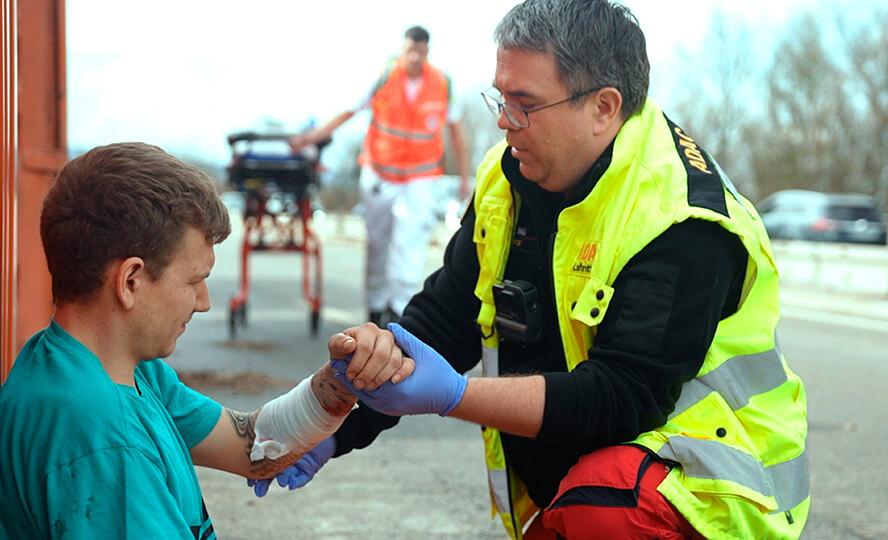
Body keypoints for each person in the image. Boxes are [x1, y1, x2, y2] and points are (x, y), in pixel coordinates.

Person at [261, 1, 810, 538]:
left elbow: (624, 397)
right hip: (578, 487)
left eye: (524, 103)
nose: (503, 121)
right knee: (590, 499)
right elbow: (445, 320)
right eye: (500, 97)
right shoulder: (509, 178)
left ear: (602, 108)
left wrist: (455, 396)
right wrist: (333, 429)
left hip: (708, 497)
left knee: (605, 506)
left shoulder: (681, 217)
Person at [0, 142, 412, 539]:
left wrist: (343, 380)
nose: (204, 302)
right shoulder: (104, 437)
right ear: (130, 281)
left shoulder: (114, 369)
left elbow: (253, 446)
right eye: (194, 281)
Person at [290, 25, 472, 327]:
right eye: (409, 50)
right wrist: (311, 138)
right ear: (402, 49)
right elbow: (349, 111)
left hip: (420, 178)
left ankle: (400, 315)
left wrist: (465, 177)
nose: (414, 57)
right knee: (377, 246)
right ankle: (374, 309)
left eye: (420, 52)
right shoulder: (384, 76)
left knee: (409, 251)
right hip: (380, 174)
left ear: (427, 52)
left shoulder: (441, 83)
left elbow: (457, 132)